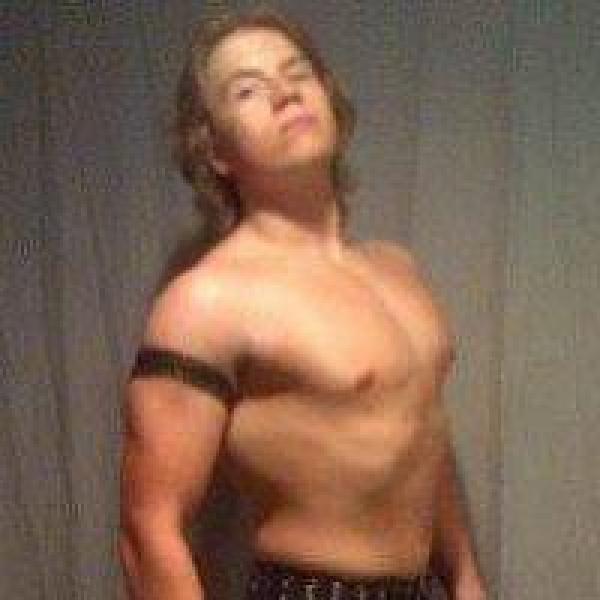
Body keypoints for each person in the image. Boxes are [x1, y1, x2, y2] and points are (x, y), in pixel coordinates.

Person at [118, 7, 488, 600]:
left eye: (297, 73)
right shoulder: (207, 300)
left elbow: (419, 436)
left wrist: (466, 578)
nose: (284, 92)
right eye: (248, 89)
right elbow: (149, 530)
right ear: (214, 150)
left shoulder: (397, 269)